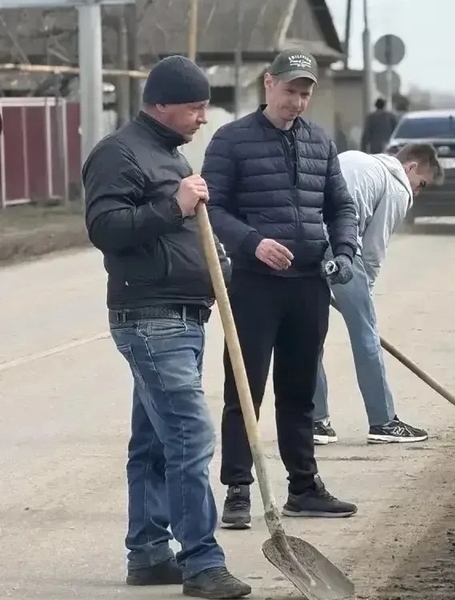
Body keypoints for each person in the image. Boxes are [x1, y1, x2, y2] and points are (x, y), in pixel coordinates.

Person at [82, 55, 251, 599]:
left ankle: (149, 555)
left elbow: (182, 235)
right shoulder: (119, 153)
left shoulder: (170, 156)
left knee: (155, 439)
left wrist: (219, 266)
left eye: (204, 106)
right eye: (194, 107)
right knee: (187, 434)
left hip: (183, 313)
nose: (203, 117)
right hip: (150, 315)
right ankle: (202, 562)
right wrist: (175, 206)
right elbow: (106, 228)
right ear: (160, 104)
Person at [202, 50, 361, 529]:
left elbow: (341, 207)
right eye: (290, 89)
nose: (297, 100)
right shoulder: (231, 140)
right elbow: (213, 207)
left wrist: (345, 253)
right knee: (244, 391)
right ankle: (237, 490)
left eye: (305, 92)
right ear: (268, 84)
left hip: (309, 285)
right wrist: (252, 243)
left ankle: (304, 487)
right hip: (254, 287)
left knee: (299, 392)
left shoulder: (319, 142)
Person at [311, 143, 444, 445]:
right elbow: (372, 251)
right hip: (340, 246)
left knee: (310, 333)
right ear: (410, 167)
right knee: (366, 337)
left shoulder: (358, 160)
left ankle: (316, 422)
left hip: (304, 238)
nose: (418, 192)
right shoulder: (396, 185)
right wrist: (362, 300)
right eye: (421, 184)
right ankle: (383, 422)